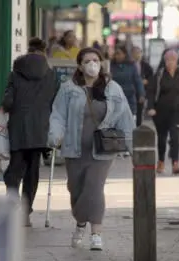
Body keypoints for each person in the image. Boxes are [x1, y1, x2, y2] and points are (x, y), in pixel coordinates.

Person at [48, 47, 134, 250]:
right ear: (79, 65)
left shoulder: (112, 88)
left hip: (102, 149)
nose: (92, 64)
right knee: (76, 189)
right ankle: (80, 222)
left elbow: (125, 117)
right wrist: (55, 134)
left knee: (94, 188)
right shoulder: (68, 88)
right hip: (74, 148)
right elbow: (58, 114)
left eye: (96, 60)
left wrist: (132, 147)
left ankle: (96, 233)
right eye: (87, 61)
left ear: (102, 63)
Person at [1, 38, 58, 226]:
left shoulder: (15, 73)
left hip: (18, 127)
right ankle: (25, 213)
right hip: (41, 128)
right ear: (44, 51)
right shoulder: (51, 75)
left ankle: (13, 203)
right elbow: (54, 103)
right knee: (32, 172)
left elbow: (8, 102)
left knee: (13, 171)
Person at [146, 49, 179, 174]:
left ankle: (175, 163)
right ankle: (161, 161)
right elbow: (151, 92)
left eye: (173, 60)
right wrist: (150, 107)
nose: (171, 62)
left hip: (177, 112)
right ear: (164, 60)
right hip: (160, 113)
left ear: (177, 61)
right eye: (168, 59)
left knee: (175, 137)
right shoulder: (159, 75)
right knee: (162, 138)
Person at [110, 45, 145, 120]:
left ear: (124, 54)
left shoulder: (131, 65)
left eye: (119, 53)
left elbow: (137, 80)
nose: (117, 56)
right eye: (116, 54)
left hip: (129, 97)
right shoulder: (111, 66)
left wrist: (141, 93)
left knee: (130, 120)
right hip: (115, 98)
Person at [131, 46, 153, 126]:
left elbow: (151, 77)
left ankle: (138, 127)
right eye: (135, 53)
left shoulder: (146, 65)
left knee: (139, 111)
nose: (137, 55)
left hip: (141, 92)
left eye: (139, 53)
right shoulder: (129, 65)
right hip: (131, 92)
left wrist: (147, 81)